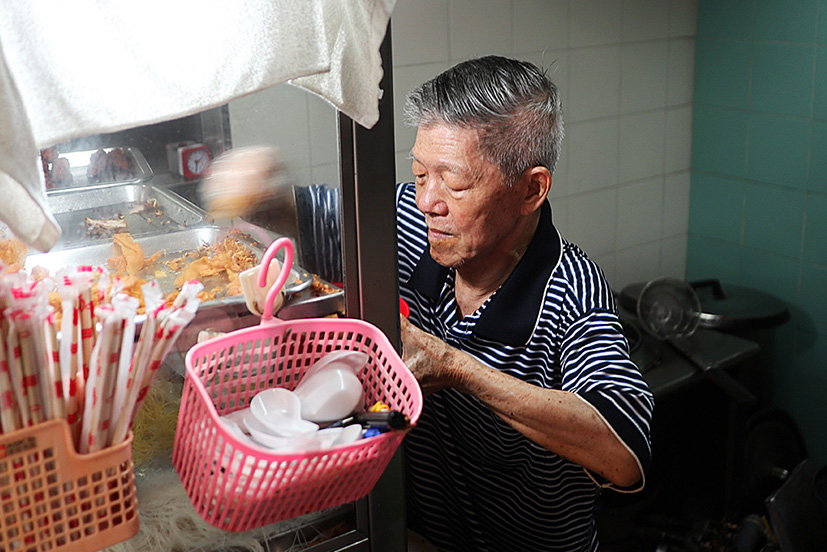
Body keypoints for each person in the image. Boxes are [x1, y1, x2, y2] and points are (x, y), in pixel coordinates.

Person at [203, 55, 653, 552]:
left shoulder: (571, 288)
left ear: (531, 189)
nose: (426, 202)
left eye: (454, 182)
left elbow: (625, 448)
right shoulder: (413, 224)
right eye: (420, 174)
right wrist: (262, 191)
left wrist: (456, 368)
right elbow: (307, 219)